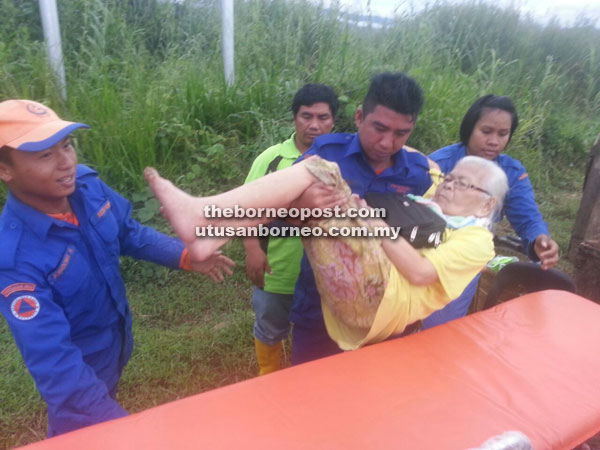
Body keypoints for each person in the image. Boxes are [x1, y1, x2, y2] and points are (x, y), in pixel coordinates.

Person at [0, 99, 234, 436]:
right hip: (78, 377)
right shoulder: (16, 260)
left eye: (66, 146)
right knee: (81, 431)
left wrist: (183, 255)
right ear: (5, 170)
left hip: (114, 347)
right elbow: (57, 367)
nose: (66, 163)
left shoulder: (86, 186)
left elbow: (127, 232)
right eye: (45, 155)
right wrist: (120, 429)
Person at [143, 154, 508, 350]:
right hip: (354, 296)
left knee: (321, 169)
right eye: (451, 178)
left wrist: (376, 223)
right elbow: (423, 163)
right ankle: (211, 231)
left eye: (463, 183)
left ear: (486, 204)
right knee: (310, 200)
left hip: (381, 294)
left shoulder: (478, 238)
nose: (449, 186)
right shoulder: (433, 202)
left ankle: (208, 220)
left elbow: (421, 274)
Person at [288, 72, 439, 364]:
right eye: (379, 128)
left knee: (374, 392)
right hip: (321, 308)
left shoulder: (417, 174)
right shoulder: (326, 156)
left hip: (386, 311)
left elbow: (419, 235)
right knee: (307, 392)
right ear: (359, 117)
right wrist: (301, 205)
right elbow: (278, 213)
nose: (386, 142)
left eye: (400, 134)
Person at [423, 94, 560, 329]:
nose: (494, 141)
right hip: (423, 248)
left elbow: (527, 216)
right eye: (486, 131)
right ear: (469, 128)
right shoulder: (439, 163)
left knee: (438, 328)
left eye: (502, 134)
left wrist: (539, 238)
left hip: (465, 260)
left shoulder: (511, 172)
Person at [243, 84, 339, 375]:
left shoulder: (342, 159)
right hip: (279, 271)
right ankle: (268, 377)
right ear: (294, 119)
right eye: (306, 116)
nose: (314, 125)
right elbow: (247, 207)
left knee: (322, 334)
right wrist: (252, 250)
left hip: (328, 272)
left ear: (334, 121)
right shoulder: (271, 159)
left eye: (323, 117)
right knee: (270, 327)